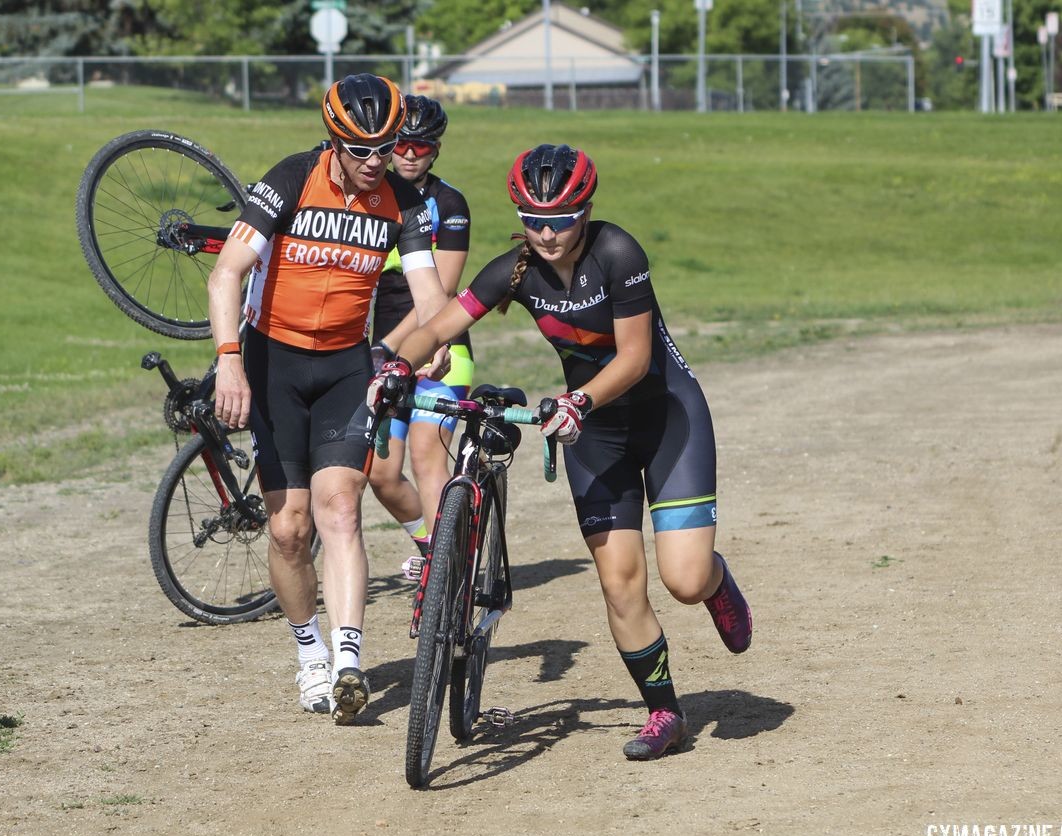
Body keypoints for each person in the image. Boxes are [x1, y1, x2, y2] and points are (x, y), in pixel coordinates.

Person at [367, 144, 753, 759]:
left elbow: (634, 359)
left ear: (587, 209)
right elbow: (441, 322)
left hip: (665, 416)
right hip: (595, 434)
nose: (547, 233)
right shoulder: (516, 270)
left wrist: (577, 402)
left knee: (682, 578)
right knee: (621, 584)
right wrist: (396, 367)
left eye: (562, 218)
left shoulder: (618, 253)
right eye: (533, 218)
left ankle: (716, 582)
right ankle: (665, 714)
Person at [207, 74, 450, 725]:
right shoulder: (292, 178)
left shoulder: (400, 202)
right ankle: (308, 648)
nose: (376, 161)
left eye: (386, 147)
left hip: (345, 366)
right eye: (361, 149)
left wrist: (440, 338)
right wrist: (229, 362)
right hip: (271, 361)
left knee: (340, 507)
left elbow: (429, 296)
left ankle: (347, 661)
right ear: (335, 140)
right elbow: (226, 271)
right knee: (290, 529)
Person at [366, 95, 474, 565]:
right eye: (402, 144)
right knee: (380, 473)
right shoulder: (368, 196)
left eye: (422, 147)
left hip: (438, 351)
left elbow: (443, 293)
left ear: (437, 150)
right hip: (379, 352)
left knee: (427, 455)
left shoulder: (449, 203)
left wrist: (391, 346)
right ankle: (433, 548)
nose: (410, 154)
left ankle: (446, 574)